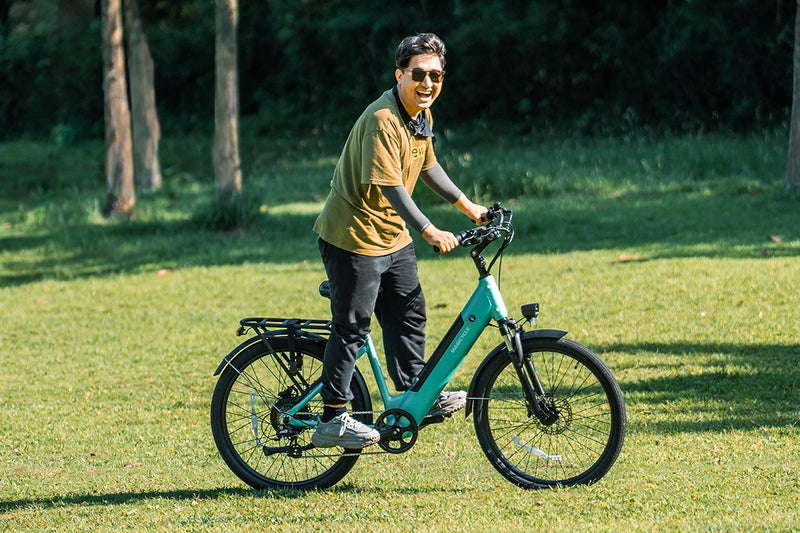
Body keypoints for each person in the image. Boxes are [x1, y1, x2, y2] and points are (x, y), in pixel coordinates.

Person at [311, 33, 487, 449]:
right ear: (400, 75)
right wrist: (429, 229)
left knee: (410, 312)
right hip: (354, 237)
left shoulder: (420, 116)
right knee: (352, 326)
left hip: (391, 235)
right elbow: (390, 185)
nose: (428, 84)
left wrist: (470, 208)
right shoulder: (383, 120)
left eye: (436, 76)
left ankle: (416, 392)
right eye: (419, 75)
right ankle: (333, 417)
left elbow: (429, 167)